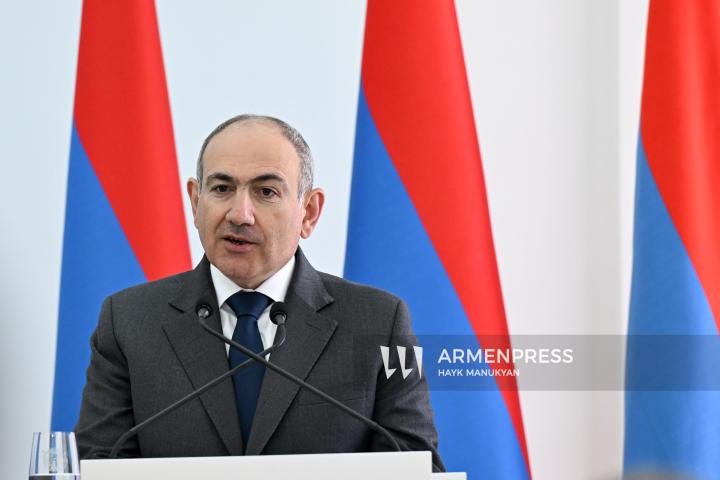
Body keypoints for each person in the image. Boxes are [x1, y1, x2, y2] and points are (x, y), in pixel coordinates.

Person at [74, 114, 444, 471]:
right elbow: (97, 463)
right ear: (196, 202)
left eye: (266, 192)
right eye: (222, 189)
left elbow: (417, 465)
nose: (240, 214)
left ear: (309, 212)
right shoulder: (128, 321)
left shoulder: (382, 322)